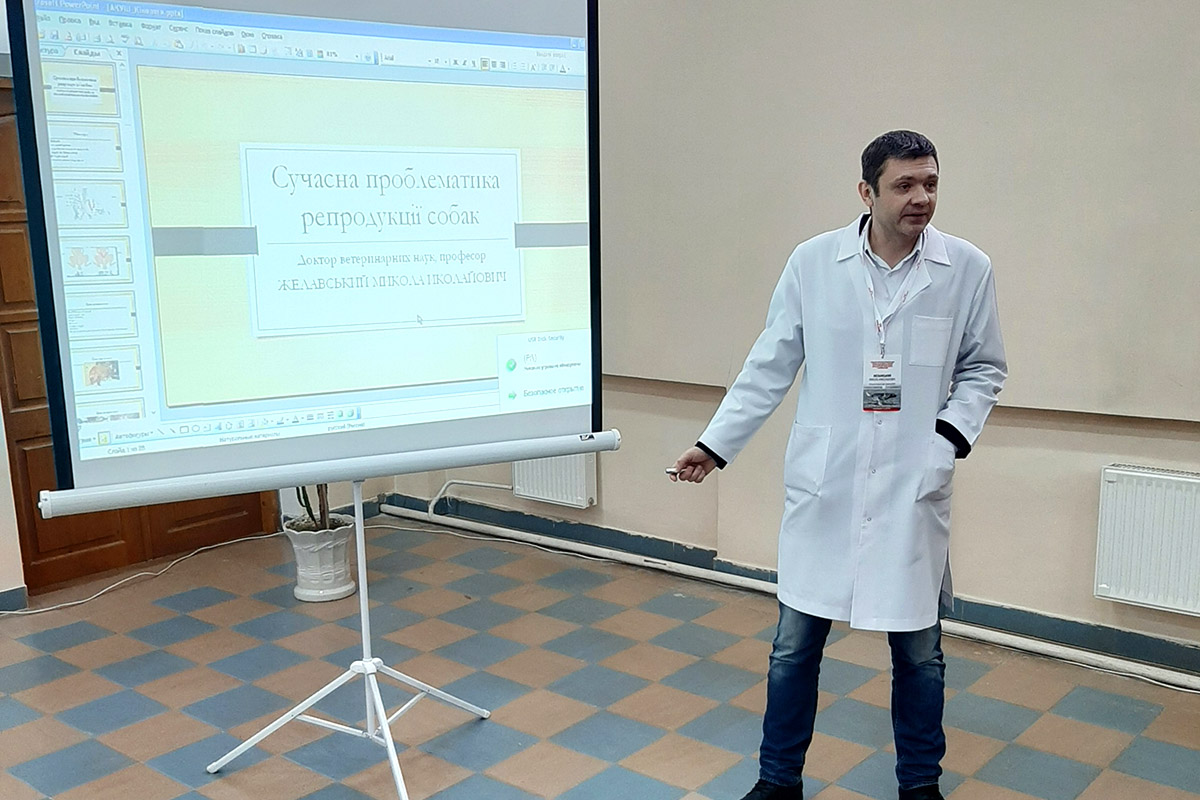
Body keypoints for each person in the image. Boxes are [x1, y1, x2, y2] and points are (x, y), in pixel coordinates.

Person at [670, 130, 1006, 800]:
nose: (921, 197)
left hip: (912, 483)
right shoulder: (814, 263)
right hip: (827, 485)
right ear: (867, 192)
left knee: (920, 653)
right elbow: (771, 362)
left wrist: (945, 440)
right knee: (794, 646)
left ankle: (920, 787)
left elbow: (984, 367)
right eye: (904, 185)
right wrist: (714, 444)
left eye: (930, 183)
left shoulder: (967, 268)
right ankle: (778, 781)